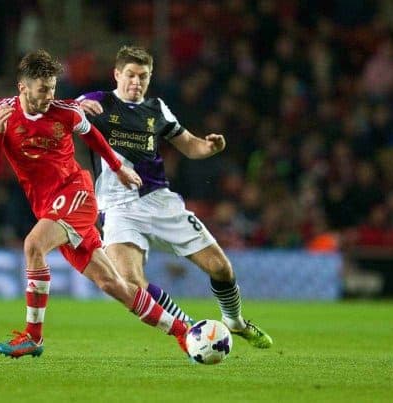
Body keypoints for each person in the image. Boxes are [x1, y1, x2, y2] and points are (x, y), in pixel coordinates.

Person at [0, 49, 189, 359]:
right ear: (22, 87)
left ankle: (33, 337)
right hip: (47, 206)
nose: (49, 96)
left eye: (52, 88)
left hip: (76, 193)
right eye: (42, 90)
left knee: (33, 245)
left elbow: (94, 138)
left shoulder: (66, 112)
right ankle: (182, 331)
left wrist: (118, 170)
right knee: (112, 283)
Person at [77, 45, 273, 348]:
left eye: (143, 76)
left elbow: (190, 145)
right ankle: (190, 330)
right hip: (117, 209)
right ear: (117, 74)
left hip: (159, 201)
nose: (136, 82)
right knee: (130, 284)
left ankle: (234, 321)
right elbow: (60, 111)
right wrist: (72, 108)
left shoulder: (156, 108)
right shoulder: (97, 102)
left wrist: (210, 148)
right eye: (130, 75)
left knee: (220, 268)